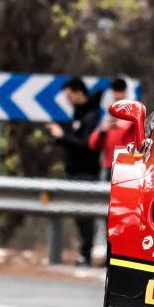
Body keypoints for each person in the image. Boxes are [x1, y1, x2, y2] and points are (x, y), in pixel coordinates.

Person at [47, 78, 102, 266]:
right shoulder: (79, 113)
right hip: (75, 170)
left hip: (86, 171)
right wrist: (59, 139)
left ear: (80, 93)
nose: (68, 100)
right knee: (80, 217)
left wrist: (62, 137)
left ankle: (86, 254)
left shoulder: (92, 115)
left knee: (85, 216)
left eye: (70, 96)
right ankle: (84, 252)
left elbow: (87, 144)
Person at [88, 77, 134, 180]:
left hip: (127, 166)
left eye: (120, 91)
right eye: (115, 91)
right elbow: (93, 143)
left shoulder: (135, 116)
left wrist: (118, 123)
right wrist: (102, 131)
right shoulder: (108, 118)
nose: (117, 95)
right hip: (109, 165)